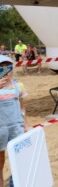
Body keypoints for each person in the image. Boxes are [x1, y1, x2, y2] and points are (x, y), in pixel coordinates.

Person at [0, 55, 29, 187]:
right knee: (0, 161)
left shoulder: (19, 85)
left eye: (8, 67)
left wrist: (26, 124)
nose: (5, 70)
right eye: (1, 67)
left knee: (19, 159)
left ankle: (15, 183)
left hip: (17, 127)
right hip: (1, 129)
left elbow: (23, 106)